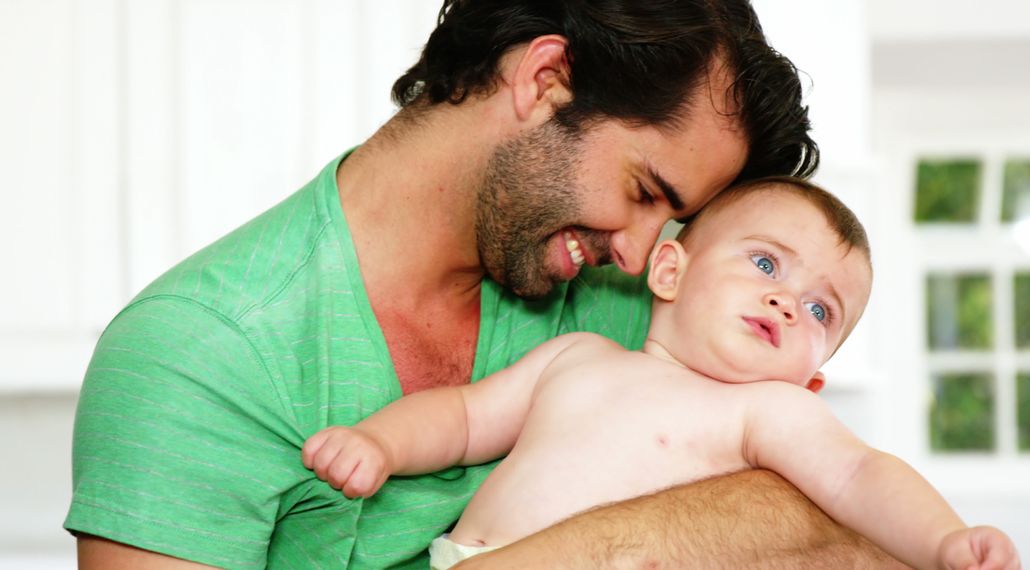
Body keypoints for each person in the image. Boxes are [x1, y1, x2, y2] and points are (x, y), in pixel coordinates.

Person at [64, 0, 898, 568]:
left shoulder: (659, 302)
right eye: (645, 191)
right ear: (544, 82)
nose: (645, 257)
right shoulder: (196, 355)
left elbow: (858, 526)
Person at [303, 178, 1021, 570]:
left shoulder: (765, 415)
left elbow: (861, 477)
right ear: (671, 271)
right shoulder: (578, 358)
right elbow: (461, 419)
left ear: (812, 380)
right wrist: (382, 444)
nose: (786, 301)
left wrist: (943, 542)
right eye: (766, 263)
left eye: (820, 311)